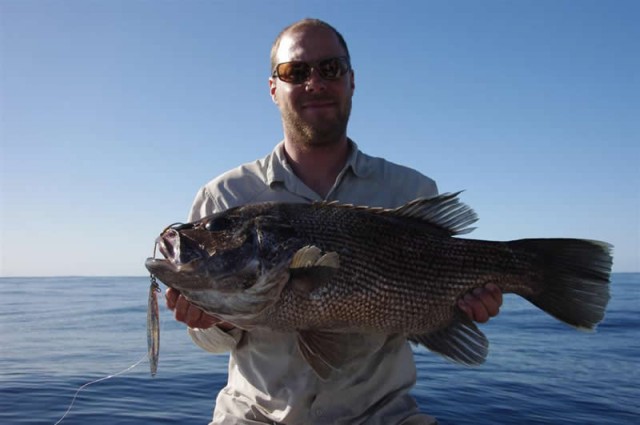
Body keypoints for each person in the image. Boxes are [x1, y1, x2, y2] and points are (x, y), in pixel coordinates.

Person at [165, 18, 503, 425]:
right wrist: (209, 319)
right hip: (255, 416)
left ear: (351, 80)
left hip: (383, 416)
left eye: (331, 69)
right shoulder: (223, 198)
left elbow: (430, 301)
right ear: (274, 87)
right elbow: (210, 342)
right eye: (296, 72)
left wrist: (465, 307)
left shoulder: (409, 188)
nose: (315, 83)